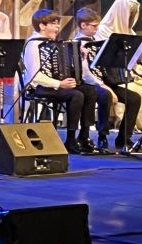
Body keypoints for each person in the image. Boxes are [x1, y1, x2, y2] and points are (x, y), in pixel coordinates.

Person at [21, 9, 98, 154]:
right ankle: (70, 139)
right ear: (42, 26)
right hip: (38, 87)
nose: (57, 27)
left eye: (58, 24)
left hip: (55, 85)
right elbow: (35, 76)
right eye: (53, 24)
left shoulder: (53, 43)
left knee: (89, 91)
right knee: (76, 95)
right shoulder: (33, 45)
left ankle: (84, 136)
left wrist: (81, 55)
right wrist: (60, 84)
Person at [73, 7, 140, 150]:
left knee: (134, 98)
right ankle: (102, 135)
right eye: (94, 26)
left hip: (105, 82)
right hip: (89, 84)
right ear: (83, 25)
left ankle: (124, 138)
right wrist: (104, 85)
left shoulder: (97, 41)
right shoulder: (76, 44)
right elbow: (85, 74)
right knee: (106, 95)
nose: (97, 29)